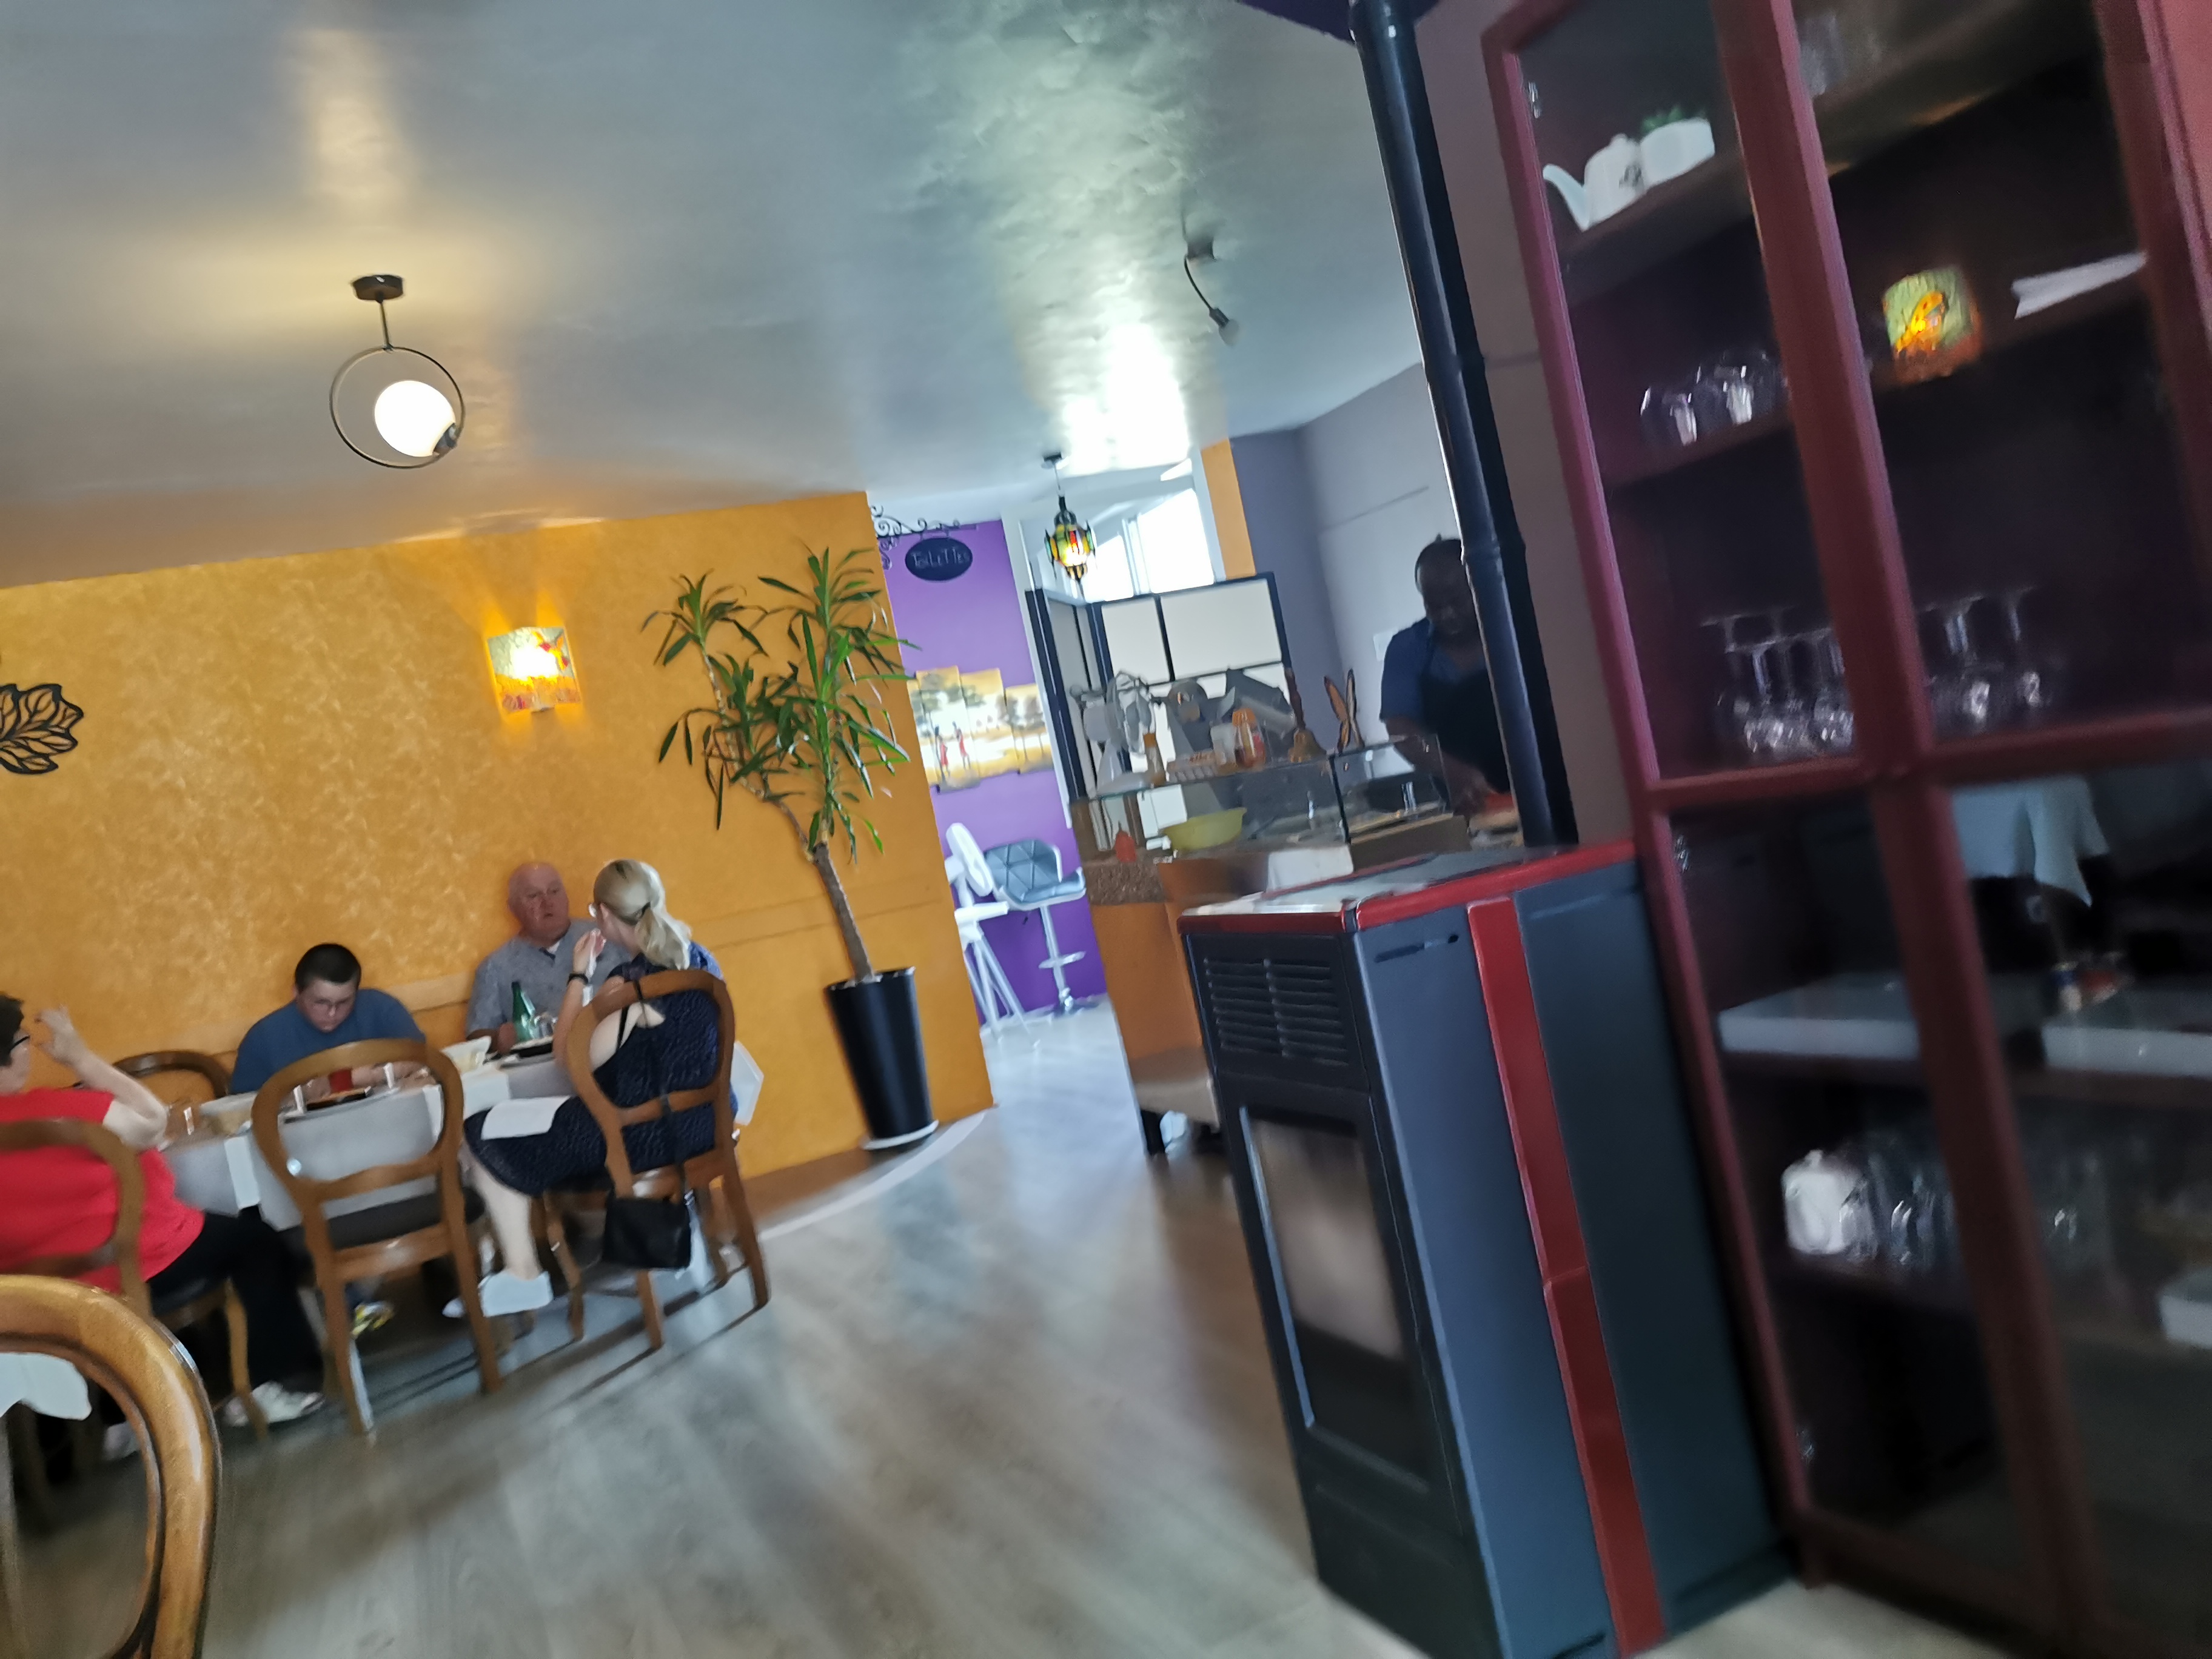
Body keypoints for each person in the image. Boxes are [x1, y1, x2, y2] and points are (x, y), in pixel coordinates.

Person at [0, 997, 326, 1424]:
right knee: (256, 1240)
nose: (28, 1048)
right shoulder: (60, 1111)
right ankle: (281, 1384)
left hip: (40, 1296)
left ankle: (118, 1420)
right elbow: (153, 1122)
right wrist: (81, 1059)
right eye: (22, 1039)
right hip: (135, 1264)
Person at [456, 859, 732, 1316]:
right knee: (534, 1127)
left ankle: (523, 1273)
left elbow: (571, 1058)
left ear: (602, 913)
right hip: (707, 1121)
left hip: (642, 1135)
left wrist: (579, 976)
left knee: (480, 1131)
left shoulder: (630, 985)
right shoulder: (701, 960)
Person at [1378, 536, 1513, 817]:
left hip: (1533, 787)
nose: (1448, 614)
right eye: (1434, 605)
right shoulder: (1407, 649)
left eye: (1456, 601)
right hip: (1462, 803)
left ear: (1477, 586)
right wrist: (1457, 774)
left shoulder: (1510, 630)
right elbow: (1400, 730)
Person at [466, 862, 627, 1056]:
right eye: (534, 896)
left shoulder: (606, 936)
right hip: (542, 1064)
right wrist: (499, 1038)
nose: (548, 902)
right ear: (513, 908)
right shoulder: (495, 967)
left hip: (617, 1048)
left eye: (555, 891)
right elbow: (476, 1036)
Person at [230, 943, 423, 1096]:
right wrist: (345, 1081)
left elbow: (423, 1059)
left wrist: (347, 1080)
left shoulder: (382, 1008)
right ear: (296, 992)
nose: (332, 1013)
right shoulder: (263, 1039)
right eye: (321, 1003)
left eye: (344, 1002)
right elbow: (245, 1108)